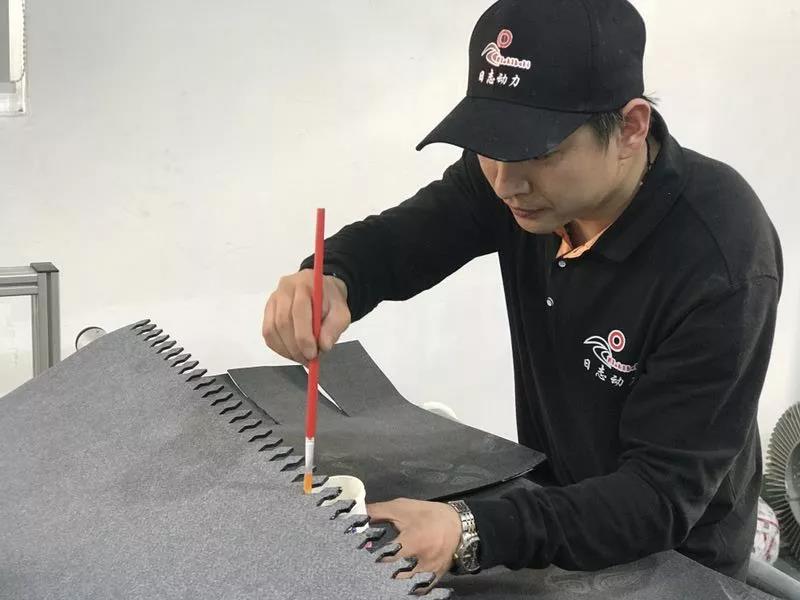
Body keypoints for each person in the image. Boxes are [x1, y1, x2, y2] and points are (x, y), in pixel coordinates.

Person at [262, 0, 782, 589]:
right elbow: (407, 238)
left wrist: (471, 529)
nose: (507, 183)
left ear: (631, 128)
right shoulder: (516, 181)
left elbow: (657, 496)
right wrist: (332, 276)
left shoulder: (723, 257)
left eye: (539, 151)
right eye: (491, 145)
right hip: (554, 506)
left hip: (673, 557)